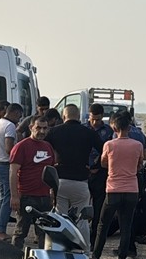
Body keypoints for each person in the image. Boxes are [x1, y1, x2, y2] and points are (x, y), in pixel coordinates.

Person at [91, 109, 145, 259]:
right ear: (129, 127)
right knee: (126, 227)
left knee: (102, 225)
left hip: (113, 189)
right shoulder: (138, 145)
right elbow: (139, 165)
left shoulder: (109, 145)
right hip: (131, 190)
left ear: (114, 128)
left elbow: (103, 164)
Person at [44, 104, 98, 240]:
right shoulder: (89, 132)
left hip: (59, 180)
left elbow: (44, 151)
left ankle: (59, 249)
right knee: (82, 220)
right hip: (81, 181)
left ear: (63, 115)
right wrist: (94, 166)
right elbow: (105, 150)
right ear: (79, 116)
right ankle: (83, 252)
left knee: (59, 218)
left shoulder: (53, 132)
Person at [9, 115, 57, 247]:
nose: (42, 131)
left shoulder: (48, 146)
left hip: (44, 197)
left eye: (45, 128)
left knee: (44, 233)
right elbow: (13, 172)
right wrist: (14, 196)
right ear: (31, 128)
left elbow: (51, 171)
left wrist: (52, 192)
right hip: (26, 196)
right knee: (20, 232)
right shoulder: (21, 146)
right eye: (38, 128)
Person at [0, 103, 22, 240]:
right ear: (14, 113)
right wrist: (19, 157)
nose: (19, 119)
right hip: (6, 164)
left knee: (2, 196)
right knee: (7, 197)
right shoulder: (10, 126)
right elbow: (10, 148)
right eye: (19, 116)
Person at [86, 103, 114, 236]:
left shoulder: (108, 131)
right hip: (83, 170)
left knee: (98, 206)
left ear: (102, 117)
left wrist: (98, 167)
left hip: (101, 172)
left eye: (97, 119)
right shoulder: (82, 129)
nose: (95, 122)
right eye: (92, 119)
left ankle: (93, 235)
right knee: (81, 206)